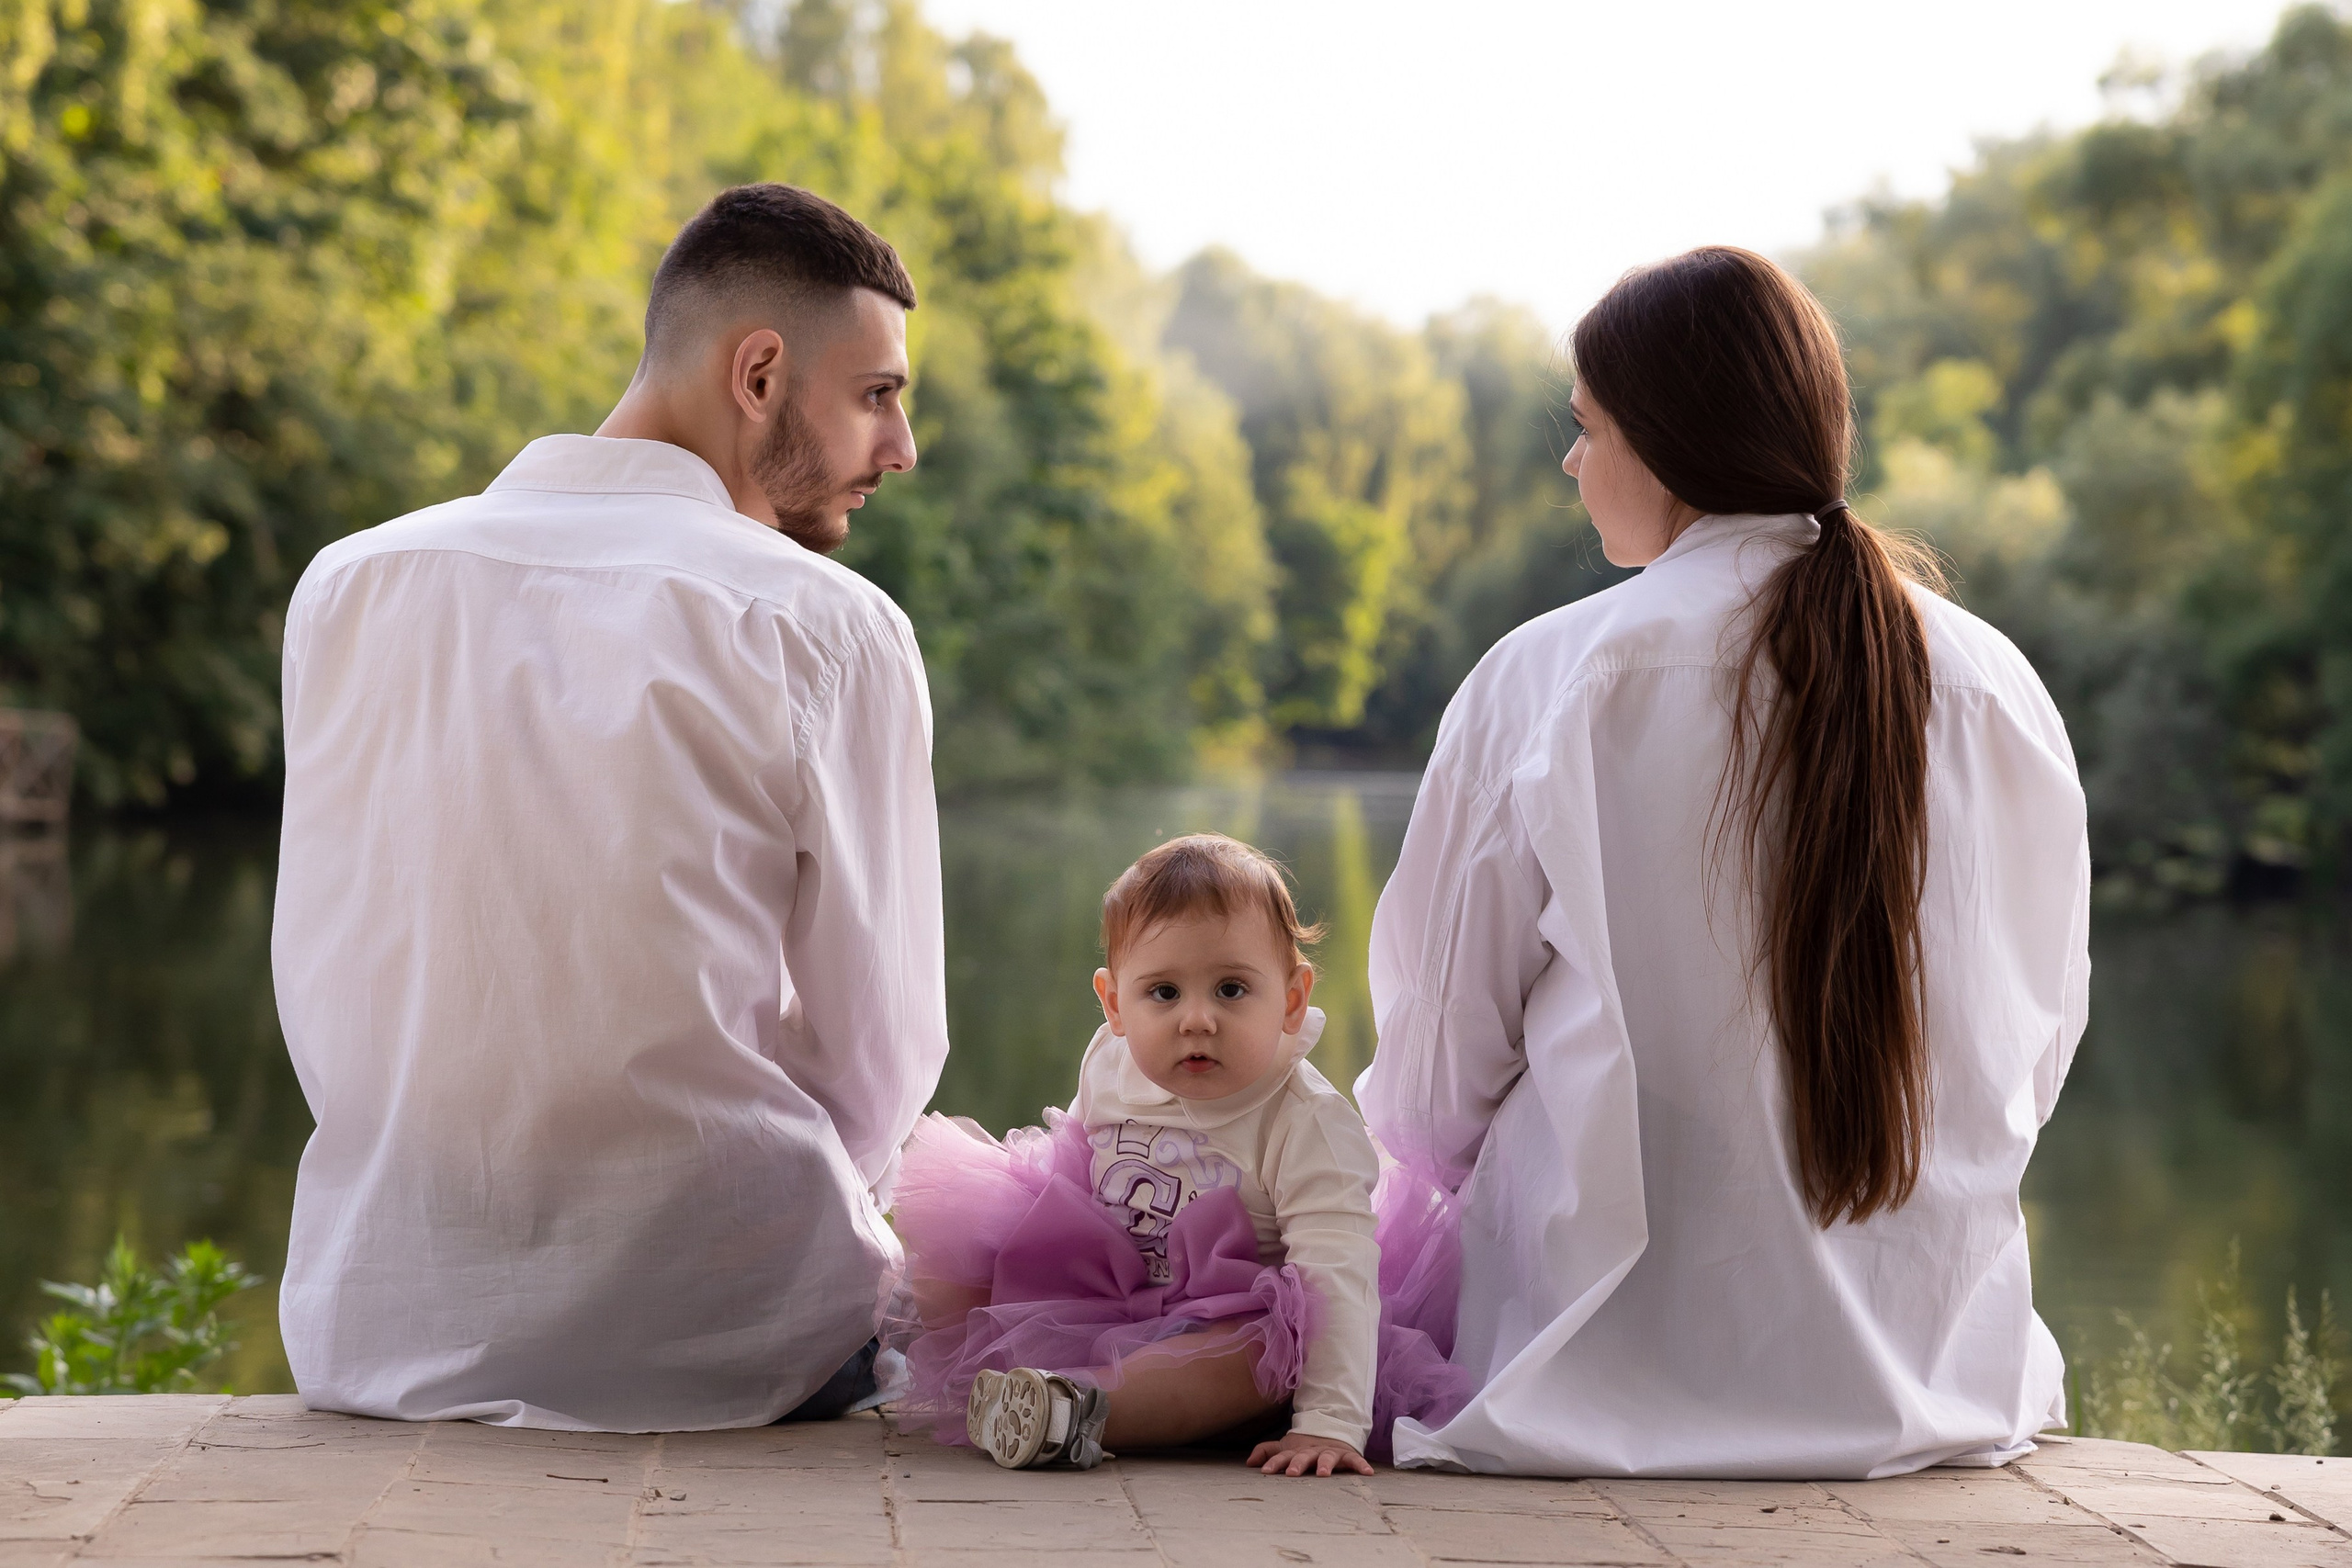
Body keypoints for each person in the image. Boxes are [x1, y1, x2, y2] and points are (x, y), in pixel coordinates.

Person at [1358, 246, 2089, 1479]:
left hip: (1583, 1374)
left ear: (1661, 437)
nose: (1571, 462)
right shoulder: (1994, 682)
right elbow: (2039, 1042)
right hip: (1938, 1380)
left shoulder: (1552, 674)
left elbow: (1435, 1077)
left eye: (1586, 428)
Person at [273, 184, 947, 1430]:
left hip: (379, 1333)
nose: (901, 445)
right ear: (758, 374)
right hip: (734, 1350)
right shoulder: (826, 626)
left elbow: (329, 978)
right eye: (878, 393)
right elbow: (883, 1056)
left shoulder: (349, 584)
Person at [888, 834, 1470, 1476]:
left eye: (1230, 989)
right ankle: (994, 1383)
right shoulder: (1111, 1062)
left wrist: (1329, 1423)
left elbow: (1337, 1278)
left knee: (1260, 1358)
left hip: (1234, 1325)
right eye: (1163, 993)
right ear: (1114, 1003)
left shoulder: (1305, 1122)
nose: (1197, 1018)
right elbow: (1072, 1174)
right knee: (958, 1255)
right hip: (1111, 1292)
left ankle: (1075, 1409)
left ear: (1292, 998)